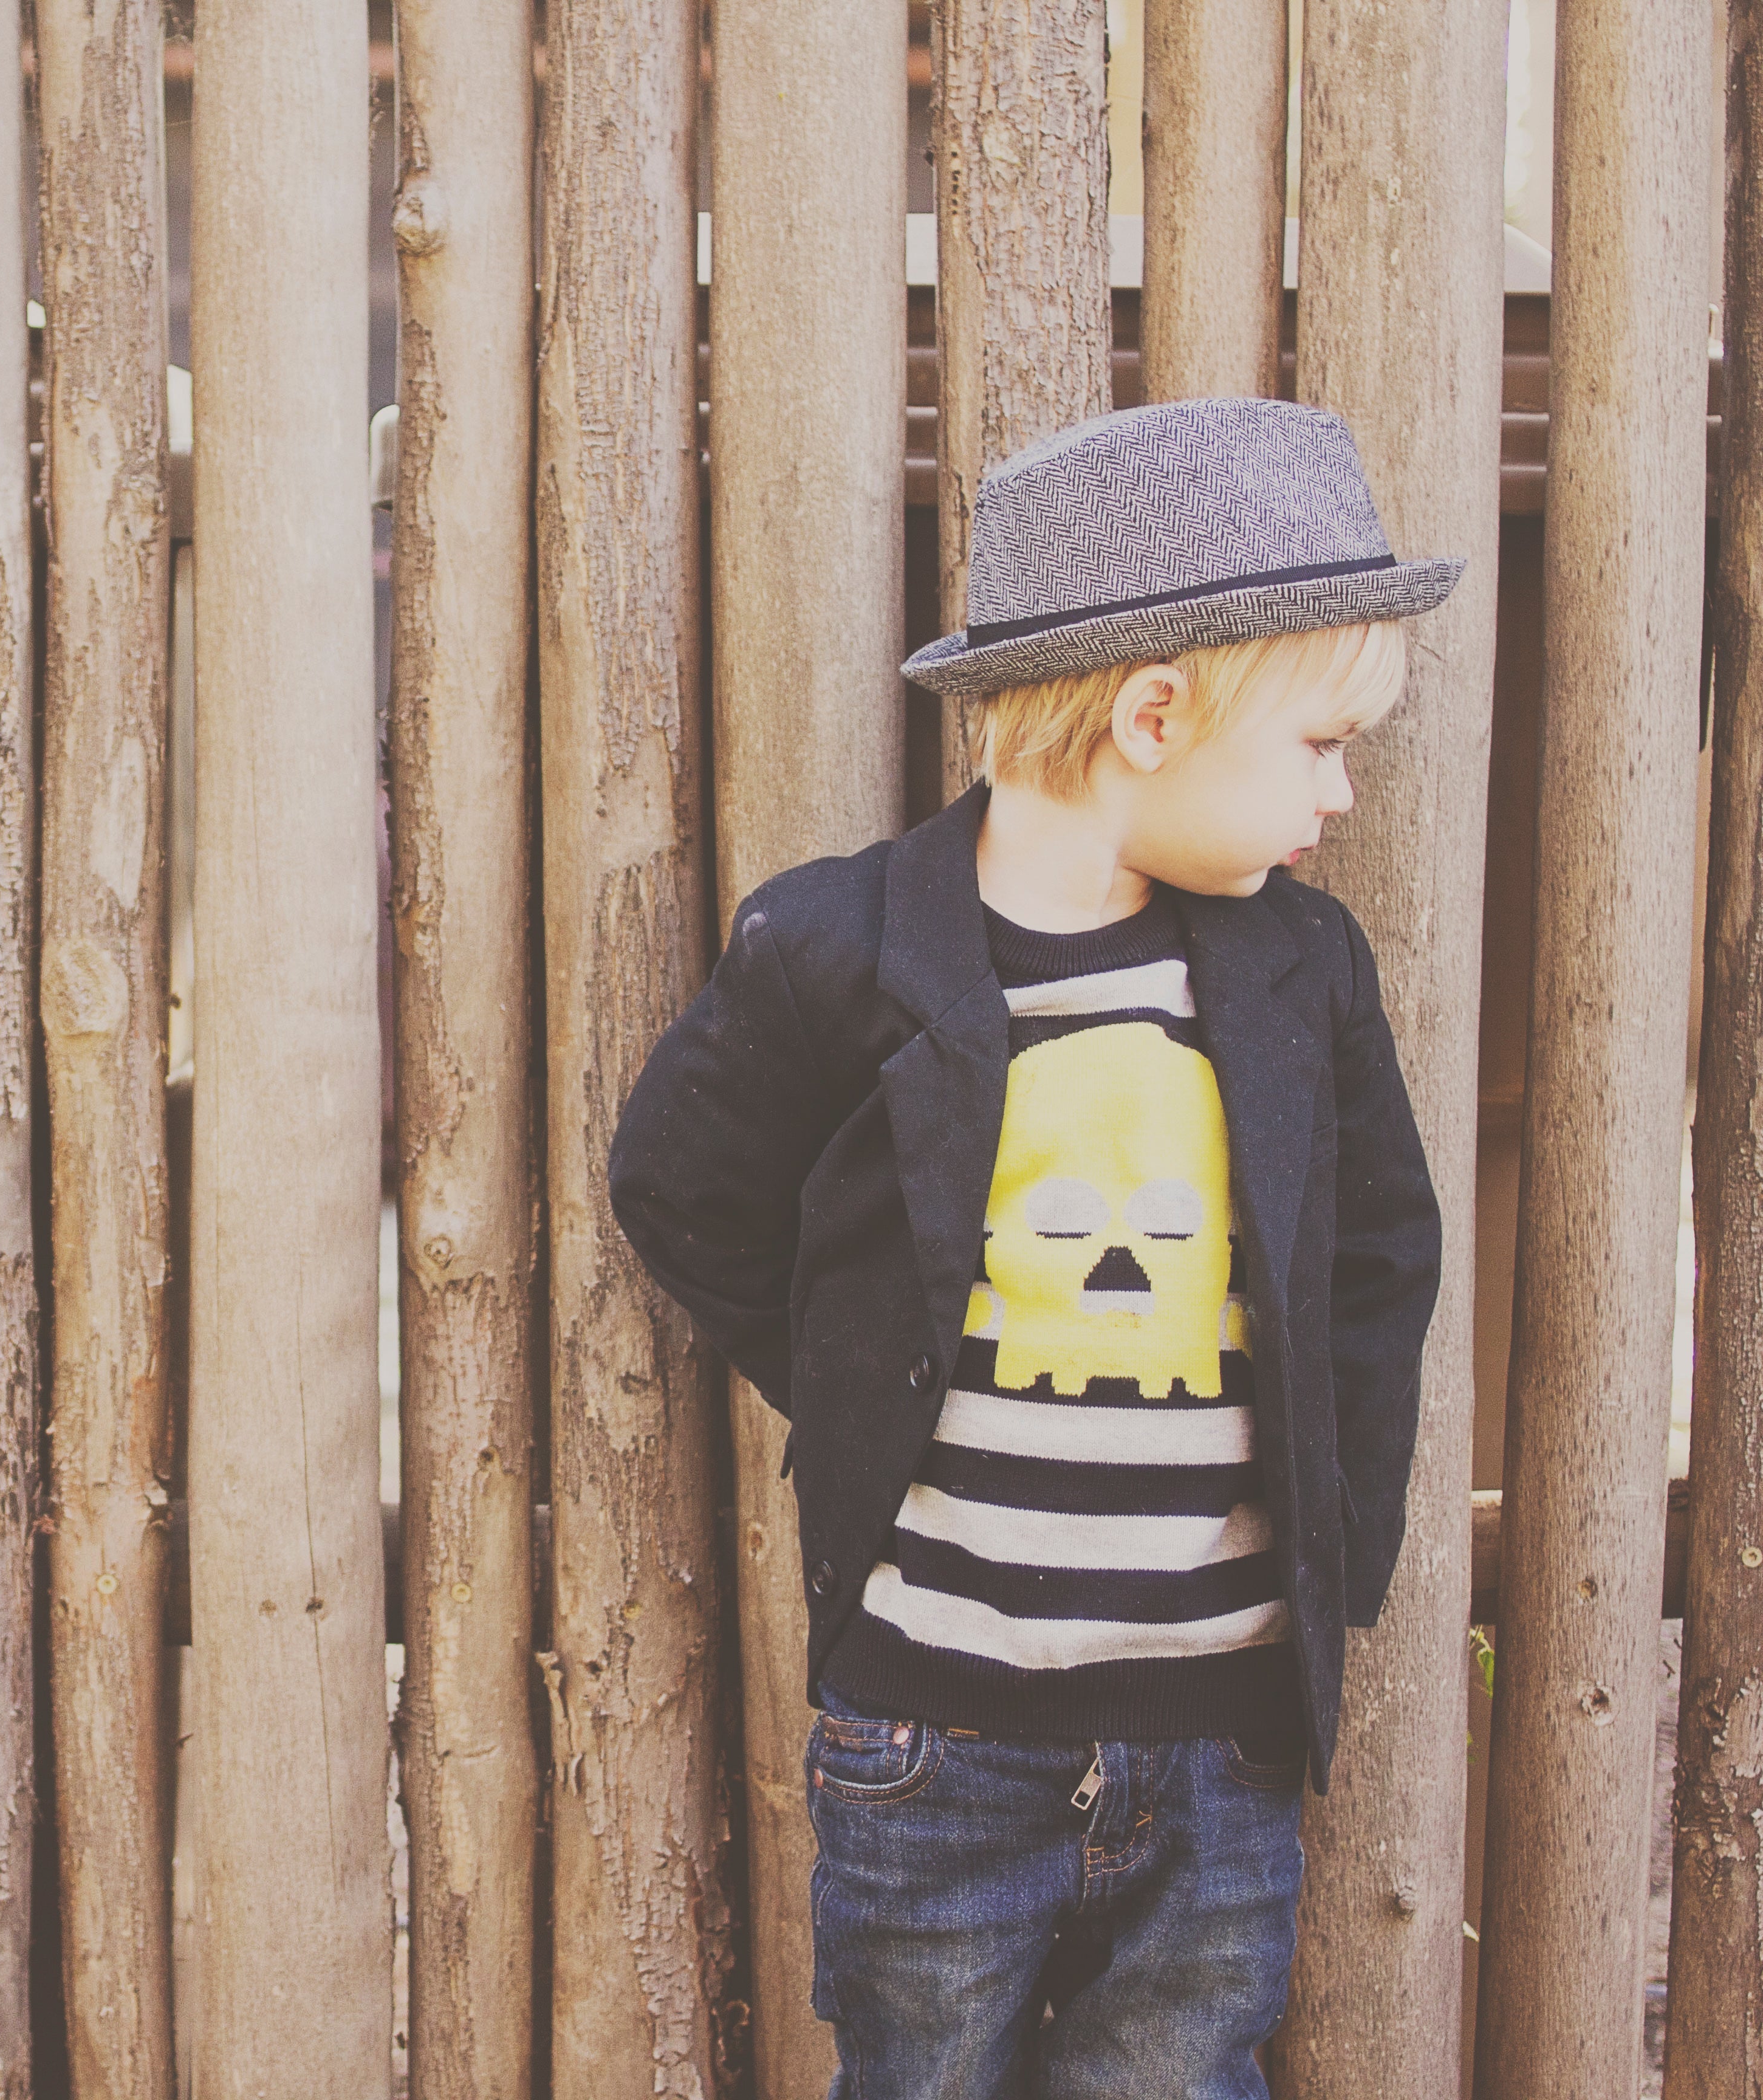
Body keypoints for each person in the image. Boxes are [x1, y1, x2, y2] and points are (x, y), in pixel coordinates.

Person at [609, 396, 1450, 2099]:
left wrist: (1330, 1578)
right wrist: (873, 1379)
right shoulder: (840, 953)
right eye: (1319, 745)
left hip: (1219, 1734)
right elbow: (682, 1187)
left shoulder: (1303, 975)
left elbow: (1376, 1265)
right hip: (935, 1731)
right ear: (1153, 714)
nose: (1345, 794)